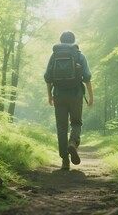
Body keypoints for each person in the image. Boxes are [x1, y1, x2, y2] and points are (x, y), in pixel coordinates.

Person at [44, 31, 93, 170]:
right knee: (76, 122)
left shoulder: (54, 55)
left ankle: (65, 160)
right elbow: (87, 77)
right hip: (76, 94)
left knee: (61, 127)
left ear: (60, 41)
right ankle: (73, 142)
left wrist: (50, 95)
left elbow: (48, 77)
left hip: (59, 94)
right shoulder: (79, 55)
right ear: (73, 40)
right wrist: (90, 97)